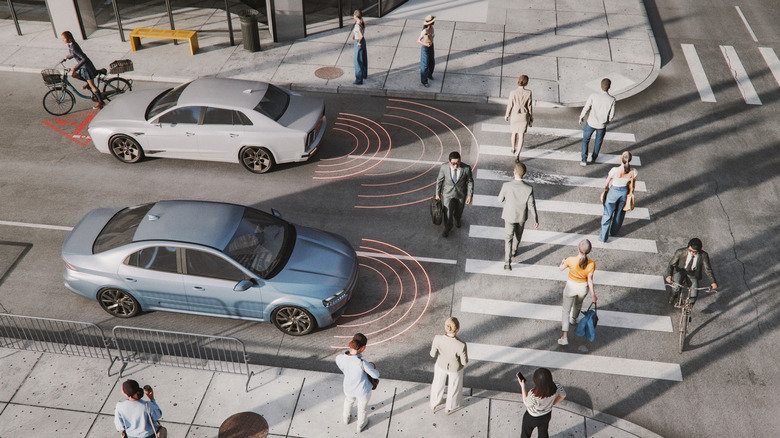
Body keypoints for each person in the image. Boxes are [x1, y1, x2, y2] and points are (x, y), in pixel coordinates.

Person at [498, 162, 539, 270]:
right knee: (518, 235)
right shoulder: (528, 188)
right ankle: (514, 250)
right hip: (521, 216)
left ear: (514, 172)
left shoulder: (506, 186)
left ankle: (507, 262)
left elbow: (500, 199)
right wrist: (535, 218)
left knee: (508, 238)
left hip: (509, 215)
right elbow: (531, 205)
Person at [336, 333, 379, 433]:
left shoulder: (339, 358)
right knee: (362, 409)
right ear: (363, 348)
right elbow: (376, 375)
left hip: (348, 388)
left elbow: (343, 367)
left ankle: (346, 419)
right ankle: (360, 425)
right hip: (362, 391)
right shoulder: (362, 363)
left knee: (348, 401)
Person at [557, 239, 597, 346]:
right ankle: (574, 319)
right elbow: (590, 281)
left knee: (565, 311)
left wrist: (562, 261)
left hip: (571, 287)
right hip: (582, 288)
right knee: (578, 304)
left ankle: (564, 337)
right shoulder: (591, 264)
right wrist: (593, 295)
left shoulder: (570, 260)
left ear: (578, 248)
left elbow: (561, 268)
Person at [430, 317, 468, 414]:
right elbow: (464, 362)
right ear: (457, 329)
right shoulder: (461, 345)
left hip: (440, 364)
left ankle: (434, 403)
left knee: (437, 384)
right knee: (454, 387)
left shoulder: (437, 338)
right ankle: (449, 407)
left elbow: (432, 354)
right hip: (455, 368)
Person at [665, 238, 717, 305]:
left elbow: (708, 269)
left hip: (693, 274)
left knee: (694, 294)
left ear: (699, 251)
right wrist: (669, 275)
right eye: (690, 250)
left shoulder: (704, 255)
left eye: (694, 252)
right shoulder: (680, 252)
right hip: (680, 271)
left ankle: (689, 306)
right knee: (676, 287)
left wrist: (713, 282)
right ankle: (673, 295)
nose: (691, 253)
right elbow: (671, 264)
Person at [60, 30, 104, 109]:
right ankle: (88, 82)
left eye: (63, 38)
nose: (62, 40)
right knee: (74, 74)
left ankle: (100, 102)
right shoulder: (70, 45)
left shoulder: (74, 46)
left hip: (86, 66)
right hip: (82, 66)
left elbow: (84, 58)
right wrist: (66, 57)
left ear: (68, 38)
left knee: (92, 86)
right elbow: (72, 54)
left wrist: (75, 67)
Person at [517, 368, 566, 438]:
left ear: (535, 381)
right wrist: (553, 403)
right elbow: (563, 395)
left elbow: (526, 403)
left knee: (526, 433)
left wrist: (522, 386)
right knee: (543, 433)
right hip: (546, 415)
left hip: (532, 417)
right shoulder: (556, 385)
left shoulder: (533, 394)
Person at [599, 151, 637, 242]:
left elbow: (607, 183)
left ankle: (603, 237)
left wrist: (606, 190)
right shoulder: (633, 172)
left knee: (607, 214)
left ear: (621, 158)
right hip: (624, 193)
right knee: (619, 214)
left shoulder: (614, 170)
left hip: (613, 192)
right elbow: (632, 183)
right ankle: (613, 231)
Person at [435, 151, 474, 238]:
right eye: (453, 163)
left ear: (460, 161)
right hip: (447, 194)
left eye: (458, 163)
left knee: (459, 209)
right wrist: (437, 194)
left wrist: (470, 195)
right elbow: (439, 181)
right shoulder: (444, 167)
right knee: (447, 212)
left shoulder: (466, 168)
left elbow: (470, 182)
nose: (456, 166)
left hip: (461, 194)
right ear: (449, 161)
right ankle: (447, 227)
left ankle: (457, 218)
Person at [578, 78, 616, 166]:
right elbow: (612, 115)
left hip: (591, 123)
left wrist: (581, 117)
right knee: (598, 142)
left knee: (585, 140)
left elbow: (586, 107)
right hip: (602, 125)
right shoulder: (612, 99)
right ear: (609, 87)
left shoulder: (593, 96)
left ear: (600, 86)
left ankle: (584, 160)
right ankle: (594, 157)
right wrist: (607, 121)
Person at [504, 75, 533, 157]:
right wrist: (531, 116)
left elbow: (510, 105)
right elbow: (529, 106)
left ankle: (513, 148)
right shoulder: (528, 92)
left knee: (514, 133)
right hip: (524, 116)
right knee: (521, 135)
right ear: (526, 83)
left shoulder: (513, 92)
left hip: (515, 115)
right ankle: (518, 154)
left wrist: (507, 115)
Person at [417, 15, 436, 88]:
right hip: (425, 48)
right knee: (424, 65)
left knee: (432, 62)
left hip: (431, 46)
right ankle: (424, 81)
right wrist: (425, 44)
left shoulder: (432, 28)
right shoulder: (424, 31)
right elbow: (418, 40)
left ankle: (429, 75)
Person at [352, 10, 367, 85]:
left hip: (359, 42)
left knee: (358, 61)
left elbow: (361, 36)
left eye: (354, 15)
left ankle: (359, 79)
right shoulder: (362, 23)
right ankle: (364, 74)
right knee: (363, 59)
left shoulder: (357, 26)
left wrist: (359, 42)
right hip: (363, 42)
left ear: (356, 16)